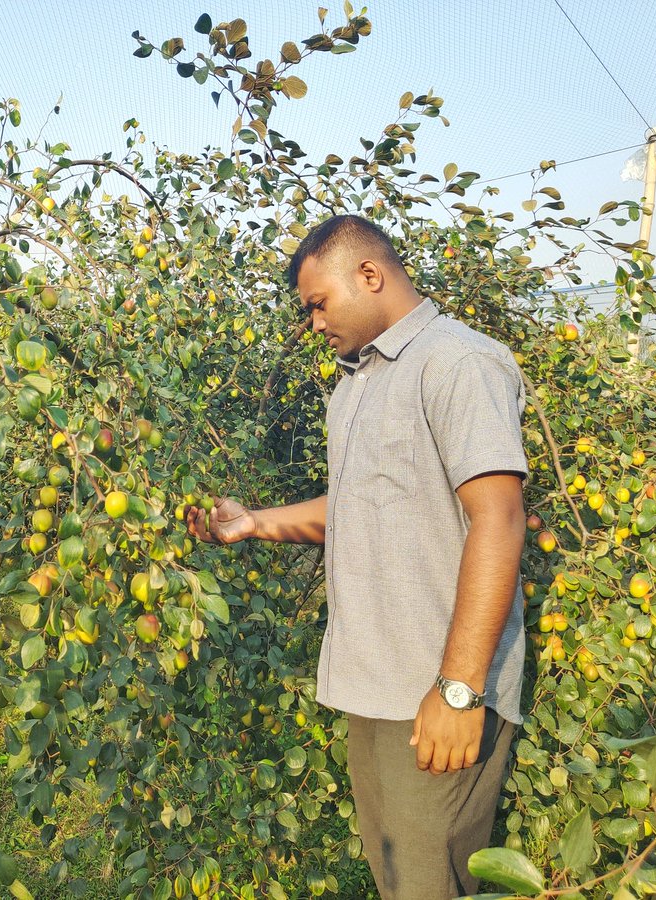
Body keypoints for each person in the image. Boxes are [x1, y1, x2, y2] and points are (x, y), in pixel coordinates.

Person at [186, 214, 528, 899]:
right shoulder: (357, 385)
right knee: (395, 871)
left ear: (369, 275)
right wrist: (253, 523)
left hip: (436, 689)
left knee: (430, 881)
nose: (312, 323)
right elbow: (353, 510)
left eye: (318, 303)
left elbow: (501, 518)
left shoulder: (457, 361)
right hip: (374, 685)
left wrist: (460, 690)